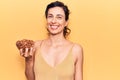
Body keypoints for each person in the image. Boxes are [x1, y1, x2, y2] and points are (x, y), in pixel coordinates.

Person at [18, 1, 83, 80]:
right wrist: (28, 60)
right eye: (50, 16)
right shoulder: (36, 46)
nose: (53, 21)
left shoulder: (76, 49)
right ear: (46, 20)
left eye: (59, 17)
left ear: (66, 22)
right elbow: (31, 79)